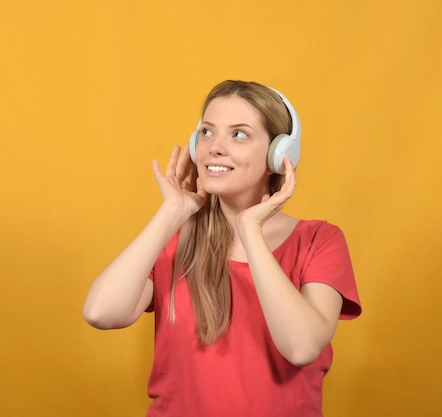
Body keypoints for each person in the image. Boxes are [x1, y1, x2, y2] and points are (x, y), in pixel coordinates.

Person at [83, 80, 362, 417]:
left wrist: (250, 230)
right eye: (207, 132)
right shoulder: (175, 238)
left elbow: (302, 347)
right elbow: (101, 313)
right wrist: (172, 211)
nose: (215, 147)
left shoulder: (320, 240)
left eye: (239, 134)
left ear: (279, 154)